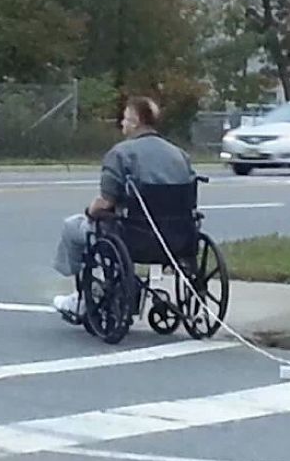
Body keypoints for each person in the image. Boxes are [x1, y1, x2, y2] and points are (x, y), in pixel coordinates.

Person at [52, 96, 195, 317]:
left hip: (132, 237)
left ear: (136, 121)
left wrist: (90, 211)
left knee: (73, 226)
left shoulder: (121, 154)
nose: (122, 124)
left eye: (125, 119)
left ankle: (82, 295)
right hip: (177, 238)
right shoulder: (180, 155)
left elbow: (105, 202)